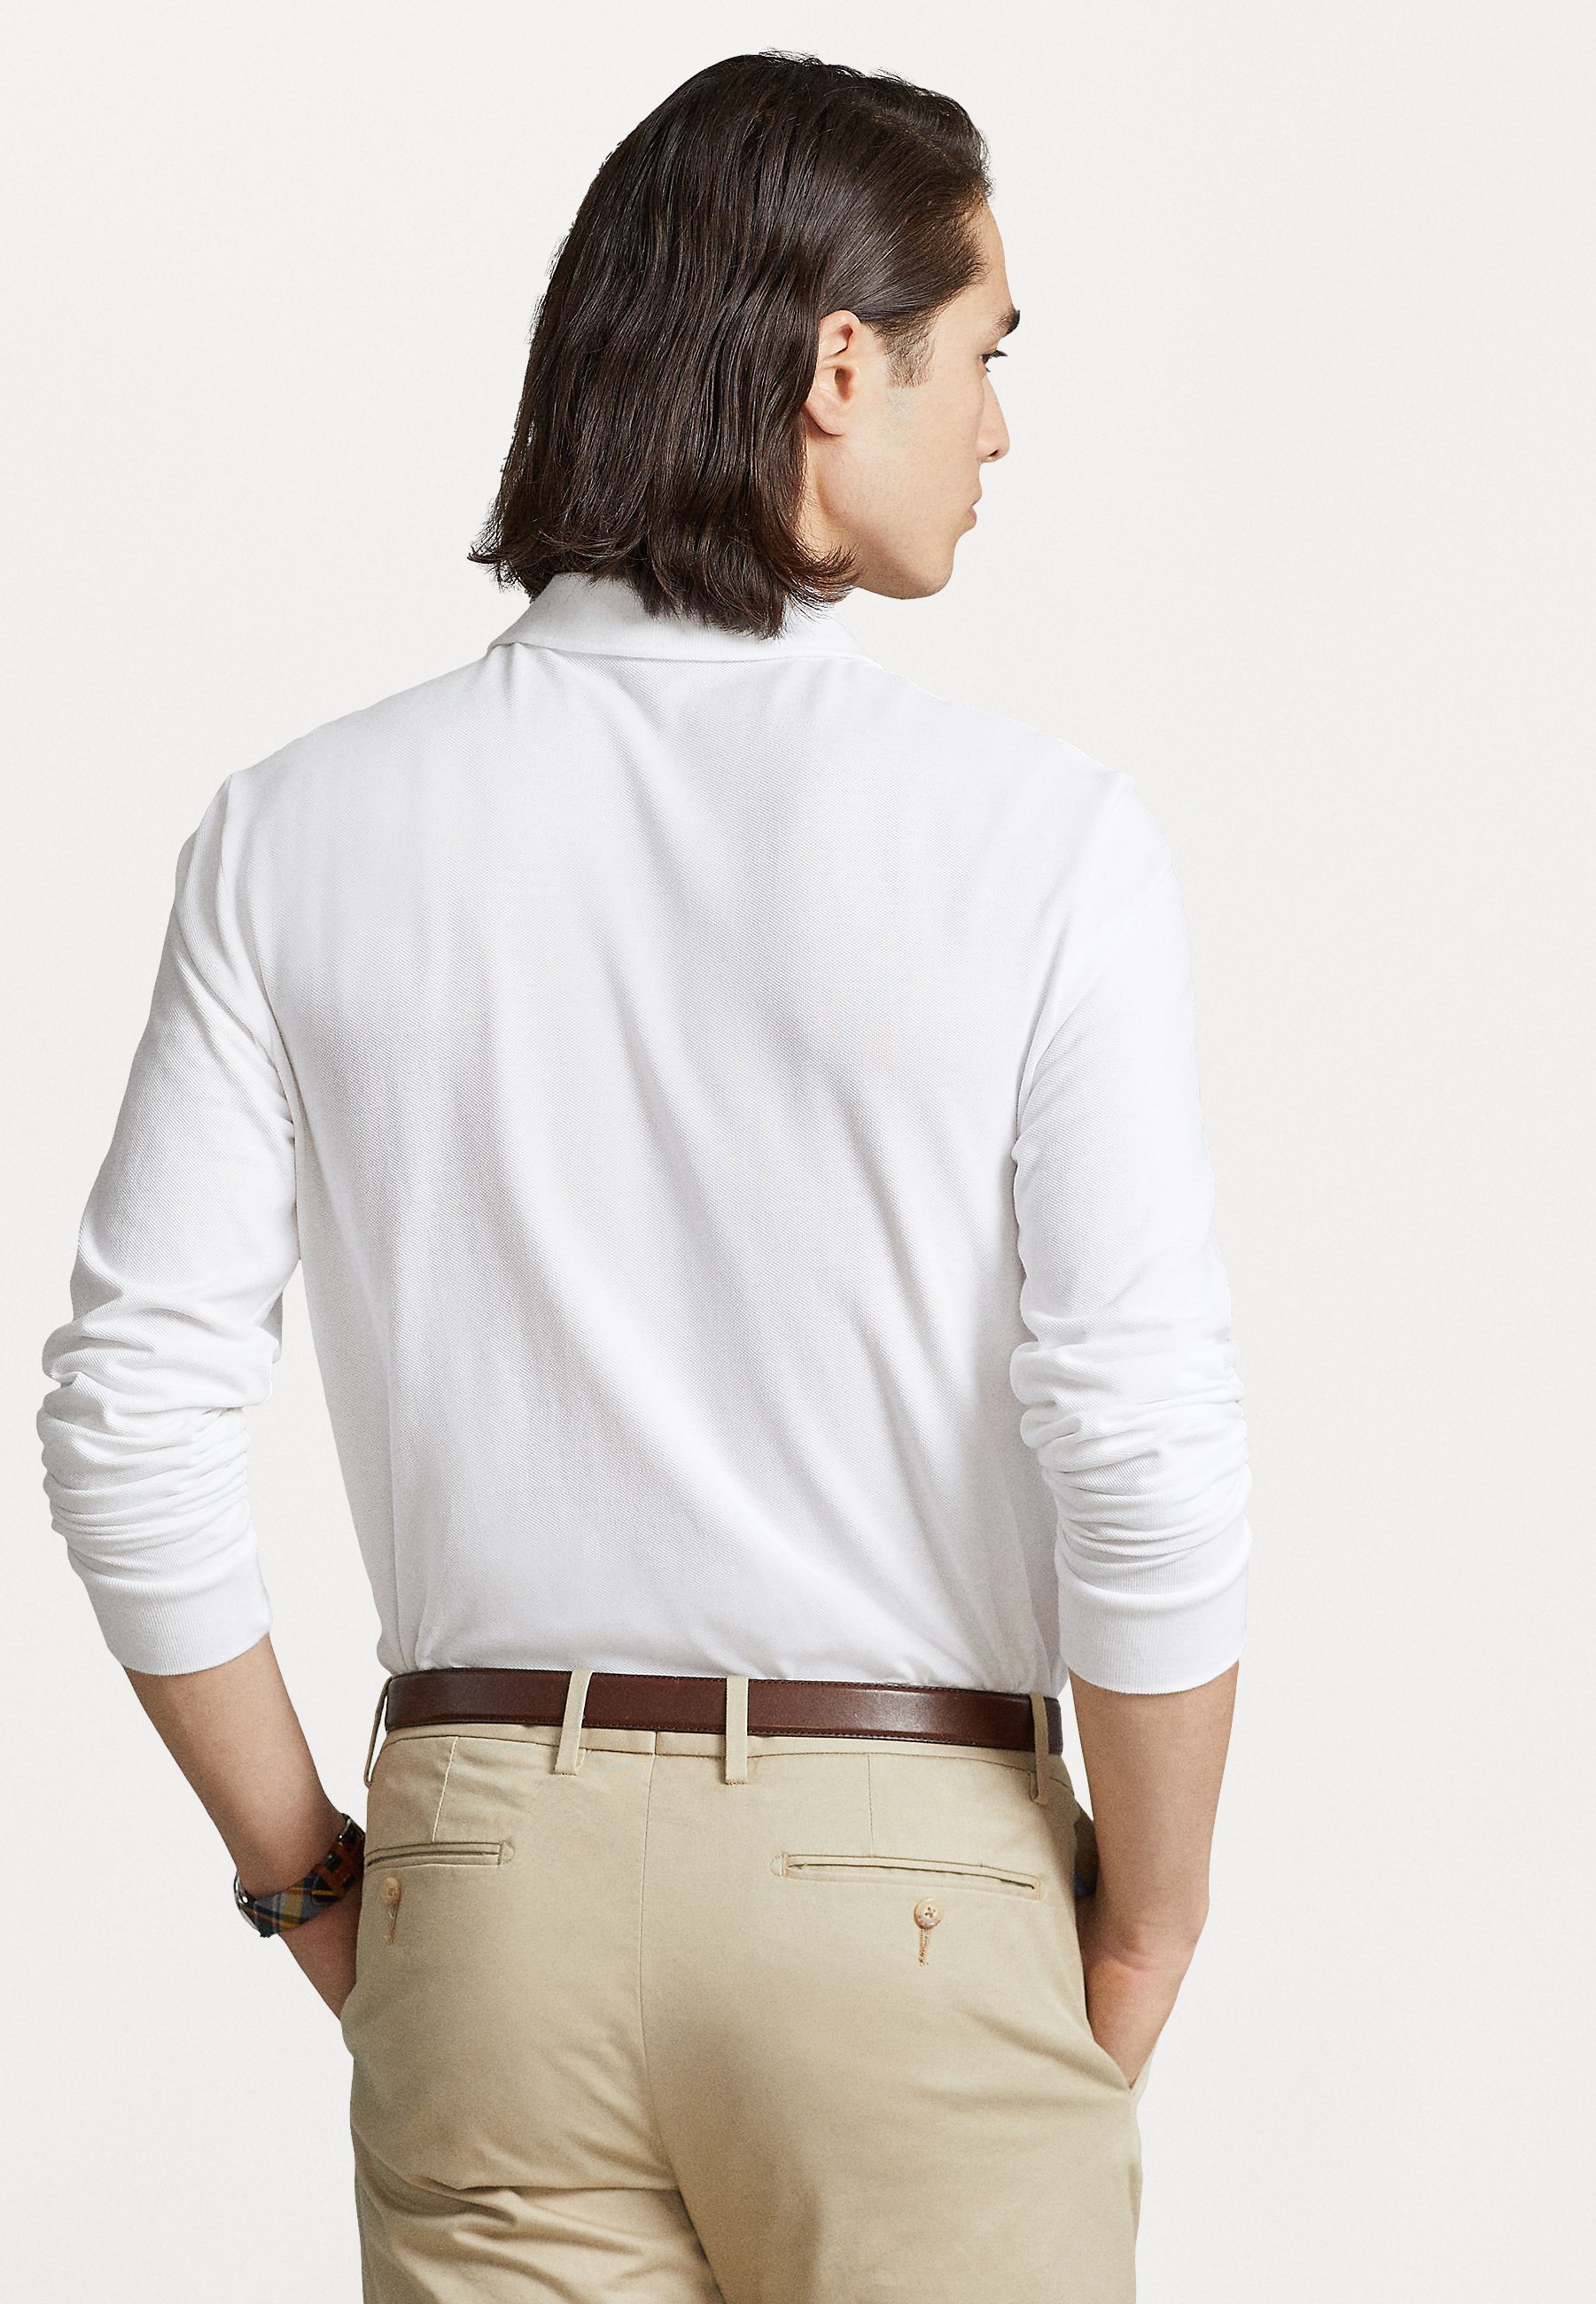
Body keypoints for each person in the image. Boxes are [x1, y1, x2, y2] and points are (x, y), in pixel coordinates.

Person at [37, 47, 1250, 2301]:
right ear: (838, 365)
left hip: (489, 1881)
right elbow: (1140, 1438)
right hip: (910, 1880)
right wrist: (1153, 1915)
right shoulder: (1040, 844)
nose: (998, 430)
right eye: (985, 357)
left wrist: (320, 1882)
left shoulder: (297, 834)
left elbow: (126, 1418)